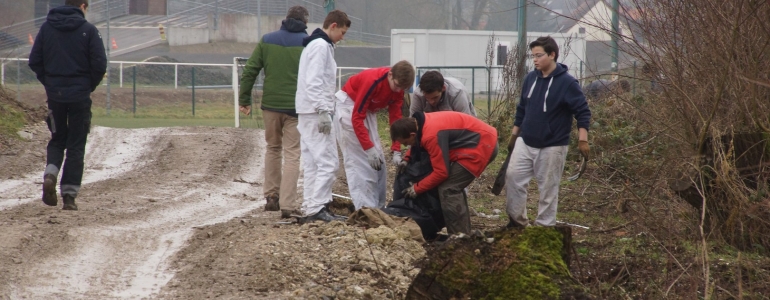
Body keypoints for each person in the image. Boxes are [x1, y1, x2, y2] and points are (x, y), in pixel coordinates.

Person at [505, 36, 591, 227]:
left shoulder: (567, 83)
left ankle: (544, 226)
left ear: (552, 55)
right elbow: (522, 108)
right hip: (526, 140)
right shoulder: (530, 78)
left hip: (553, 145)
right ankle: (517, 223)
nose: (535, 60)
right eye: (532, 56)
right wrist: (514, 135)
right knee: (513, 178)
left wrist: (583, 140)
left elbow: (582, 112)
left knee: (548, 188)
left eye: (538, 55)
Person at [29, 0, 107, 211]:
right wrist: (87, 86)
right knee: (75, 145)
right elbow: (100, 64)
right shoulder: (89, 30)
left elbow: (34, 60)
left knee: (57, 139)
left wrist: (50, 82)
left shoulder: (46, 28)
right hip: (80, 96)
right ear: (82, 6)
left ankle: (50, 174)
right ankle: (69, 196)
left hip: (55, 95)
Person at [238, 6, 309, 218]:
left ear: (286, 19)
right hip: (296, 108)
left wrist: (244, 99)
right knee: (293, 154)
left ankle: (271, 197)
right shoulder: (309, 43)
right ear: (305, 21)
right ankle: (288, 204)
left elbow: (250, 69)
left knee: (273, 148)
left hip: (270, 106)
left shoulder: (267, 40)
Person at [390, 111, 498, 235]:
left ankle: (460, 238)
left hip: (481, 145)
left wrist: (416, 188)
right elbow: (419, 142)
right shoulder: (420, 123)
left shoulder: (431, 135)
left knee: (449, 189)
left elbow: (441, 172)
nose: (406, 146)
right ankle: (464, 232)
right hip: (480, 139)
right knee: (451, 187)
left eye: (405, 143)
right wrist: (407, 158)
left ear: (412, 134)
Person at [334, 60, 415, 210]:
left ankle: (378, 208)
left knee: (379, 163)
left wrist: (396, 149)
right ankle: (365, 210)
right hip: (349, 106)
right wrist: (368, 148)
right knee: (360, 162)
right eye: (397, 86)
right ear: (390, 75)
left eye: (402, 88)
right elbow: (357, 117)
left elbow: (396, 118)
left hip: (369, 110)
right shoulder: (372, 81)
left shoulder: (399, 88)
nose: (398, 91)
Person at [295, 9, 350, 222]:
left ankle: (311, 206)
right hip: (316, 112)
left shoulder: (316, 45)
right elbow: (315, 81)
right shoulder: (320, 47)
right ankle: (318, 207)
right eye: (342, 32)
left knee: (312, 163)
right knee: (328, 163)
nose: (342, 38)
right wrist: (323, 110)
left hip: (307, 111)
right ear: (333, 26)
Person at [410, 70, 476, 117]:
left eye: (435, 97)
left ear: (443, 88)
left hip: (459, 122)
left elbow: (466, 122)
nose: (431, 102)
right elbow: (414, 122)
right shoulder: (418, 94)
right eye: (427, 98)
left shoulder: (457, 93)